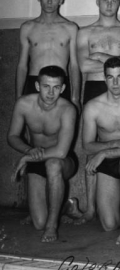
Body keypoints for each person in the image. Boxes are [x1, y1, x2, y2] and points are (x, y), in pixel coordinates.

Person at [76, 0, 120, 224]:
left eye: (114, 0)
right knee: (93, 145)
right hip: (93, 88)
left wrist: (100, 57)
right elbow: (82, 66)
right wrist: (116, 60)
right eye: (105, 0)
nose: (109, 5)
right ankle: (90, 208)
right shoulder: (85, 33)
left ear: (119, 2)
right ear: (97, 1)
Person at [8, 66, 78, 242]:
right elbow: (12, 136)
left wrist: (26, 157)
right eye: (46, 86)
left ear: (62, 89)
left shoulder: (67, 109)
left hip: (63, 161)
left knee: (53, 164)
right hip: (36, 157)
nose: (51, 92)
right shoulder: (24, 104)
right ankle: (65, 207)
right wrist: (28, 150)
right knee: (38, 222)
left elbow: (61, 151)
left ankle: (52, 225)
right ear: (38, 86)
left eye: (56, 87)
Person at [82, 57, 120, 245]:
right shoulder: (93, 107)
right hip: (107, 161)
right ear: (104, 78)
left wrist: (103, 153)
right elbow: (86, 145)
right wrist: (113, 144)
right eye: (110, 77)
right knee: (109, 225)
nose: (115, 83)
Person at [16, 0, 80, 110]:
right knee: (34, 127)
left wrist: (75, 97)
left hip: (60, 83)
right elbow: (22, 65)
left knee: (61, 127)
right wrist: (18, 96)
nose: (49, 2)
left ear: (61, 0)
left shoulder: (70, 28)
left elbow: (74, 66)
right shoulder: (28, 28)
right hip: (35, 82)